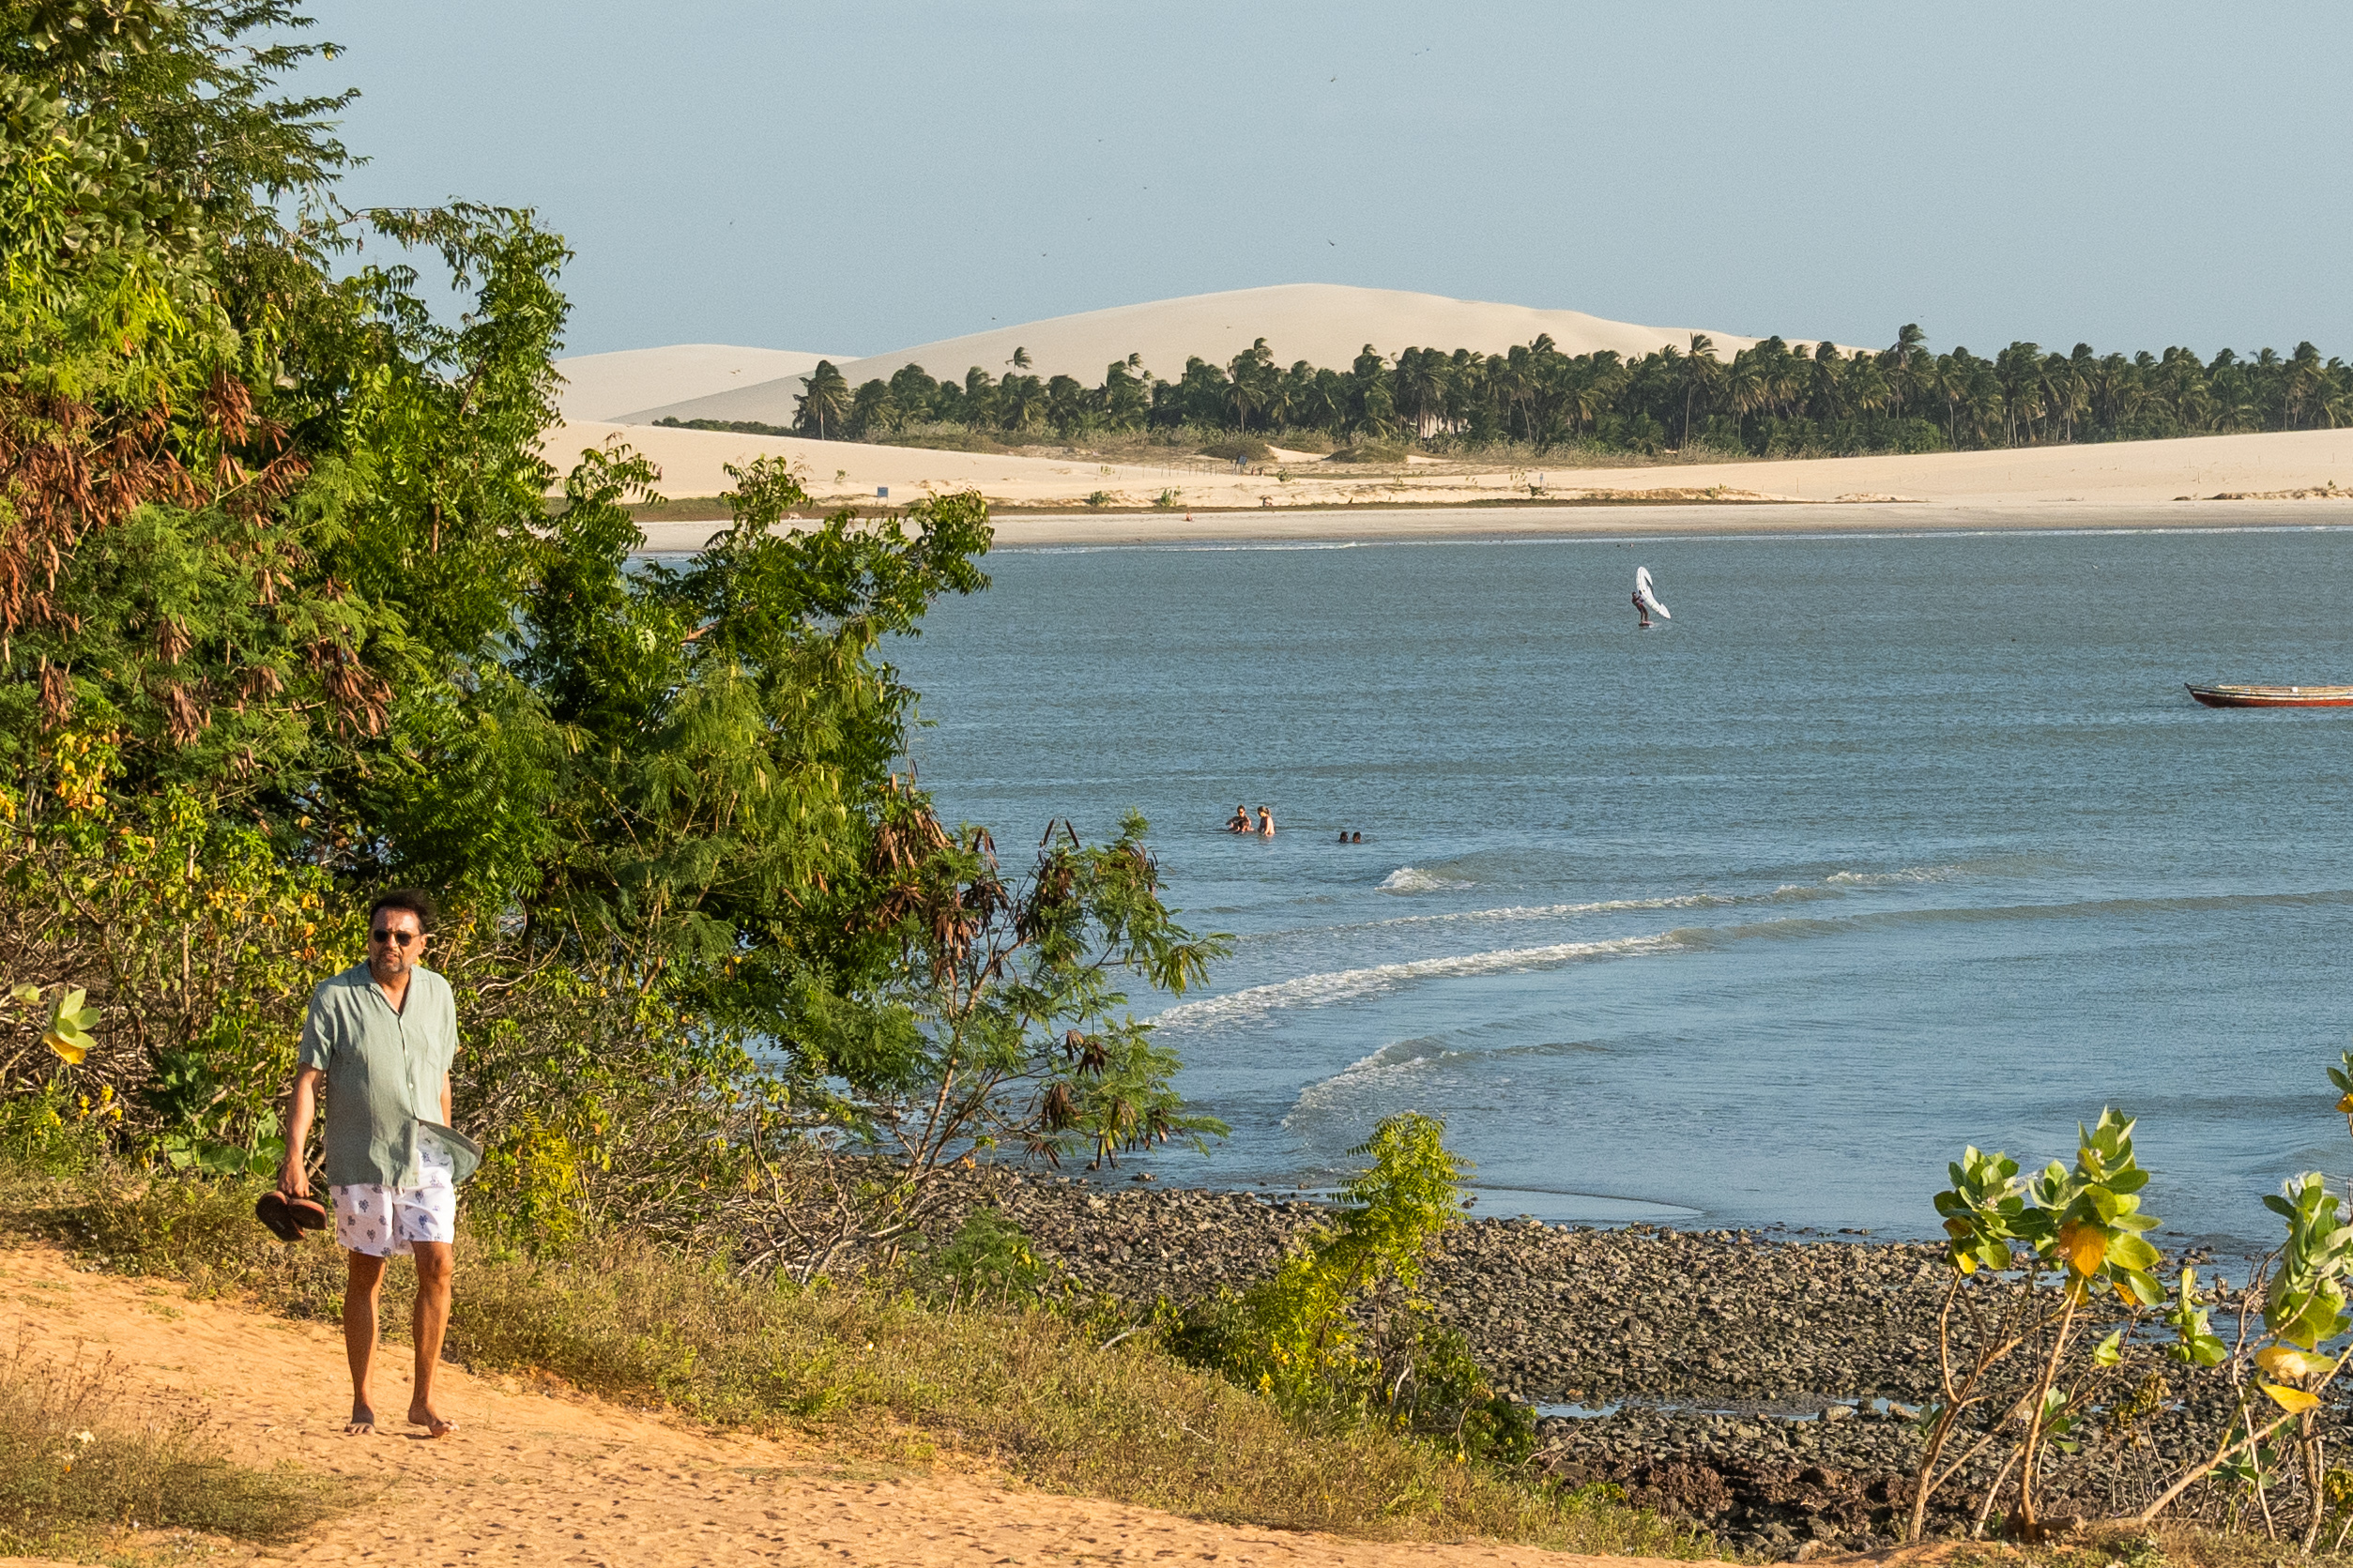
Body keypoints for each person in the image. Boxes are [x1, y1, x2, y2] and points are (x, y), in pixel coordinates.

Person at [278, 889, 463, 1439]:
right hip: (361, 1157)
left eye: (403, 937)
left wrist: (451, 1149)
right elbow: (308, 1080)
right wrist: (294, 1157)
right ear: (370, 938)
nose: (390, 944)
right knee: (367, 1274)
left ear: (422, 945)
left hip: (428, 1156)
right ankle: (362, 1401)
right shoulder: (335, 996)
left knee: (438, 1267)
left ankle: (423, 1401)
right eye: (381, 934)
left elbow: (442, 1078)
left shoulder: (439, 994)